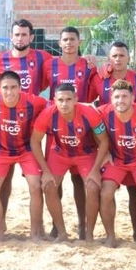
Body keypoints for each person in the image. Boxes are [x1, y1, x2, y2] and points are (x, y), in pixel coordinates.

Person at [31, 83, 108, 243]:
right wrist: (45, 170)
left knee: (93, 187)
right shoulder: (47, 114)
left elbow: (104, 141)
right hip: (60, 153)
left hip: (85, 154)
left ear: (76, 100)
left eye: (68, 99)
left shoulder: (89, 113)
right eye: (60, 100)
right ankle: (62, 233)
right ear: (54, 100)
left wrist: (95, 170)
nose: (64, 104)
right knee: (48, 186)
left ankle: (89, 234)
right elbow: (34, 141)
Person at [41, 26, 97, 240]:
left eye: (73, 39)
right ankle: (57, 226)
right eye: (65, 39)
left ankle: (83, 225)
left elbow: (96, 90)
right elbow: (39, 88)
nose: (69, 43)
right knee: (56, 180)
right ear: (59, 43)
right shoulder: (50, 65)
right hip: (56, 129)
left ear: (79, 41)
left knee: (79, 181)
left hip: (83, 129)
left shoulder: (88, 65)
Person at [0, 71, 47, 241]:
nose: (9, 92)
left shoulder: (33, 101)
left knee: (35, 186)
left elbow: (54, 105)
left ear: (20, 88)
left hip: (26, 150)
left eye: (13, 87)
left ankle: (35, 233)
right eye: (5, 88)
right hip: (1, 149)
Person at [97, 80, 136, 247]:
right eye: (116, 97)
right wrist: (106, 152)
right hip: (115, 160)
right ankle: (110, 236)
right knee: (105, 194)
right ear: (111, 98)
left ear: (132, 98)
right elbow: (93, 128)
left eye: (124, 96)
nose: (120, 100)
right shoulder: (102, 112)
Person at [88, 41, 136, 105]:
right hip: (105, 114)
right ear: (109, 59)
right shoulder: (98, 78)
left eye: (122, 55)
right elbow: (86, 101)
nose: (118, 59)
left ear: (128, 59)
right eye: (114, 56)